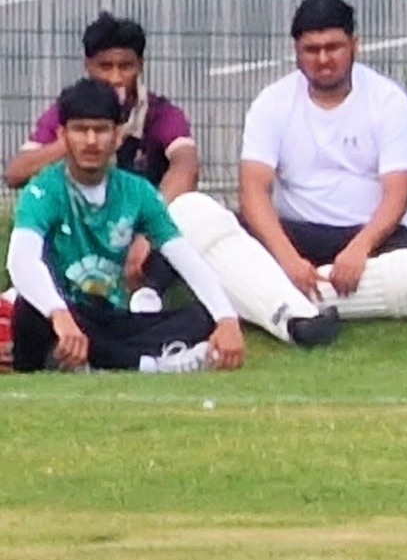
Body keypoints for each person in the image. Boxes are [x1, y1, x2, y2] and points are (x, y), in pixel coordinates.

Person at [169, 0, 407, 344]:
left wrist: (359, 250)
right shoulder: (272, 102)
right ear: (296, 51)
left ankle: (279, 301)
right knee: (191, 214)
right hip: (295, 233)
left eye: (334, 47)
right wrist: (287, 259)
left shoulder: (388, 101)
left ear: (354, 45)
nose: (324, 59)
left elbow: (397, 194)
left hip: (375, 238)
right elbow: (253, 192)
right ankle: (297, 302)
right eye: (312, 50)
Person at [8, 77, 245, 374]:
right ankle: (152, 365)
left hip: (110, 317)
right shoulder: (43, 190)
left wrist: (227, 319)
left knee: (201, 317)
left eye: (102, 130)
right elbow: (21, 261)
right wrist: (59, 314)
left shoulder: (138, 192)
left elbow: (184, 256)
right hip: (63, 315)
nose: (92, 141)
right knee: (30, 311)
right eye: (81, 130)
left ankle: (93, 362)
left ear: (118, 135)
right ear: (62, 135)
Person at [10, 14, 200, 224]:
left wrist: (151, 225)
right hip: (80, 227)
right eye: (105, 67)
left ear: (140, 66)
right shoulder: (68, 110)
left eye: (126, 66)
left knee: (196, 210)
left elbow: (186, 168)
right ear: (88, 66)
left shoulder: (160, 112)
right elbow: (16, 174)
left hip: (143, 223)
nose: (115, 78)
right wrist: (72, 141)